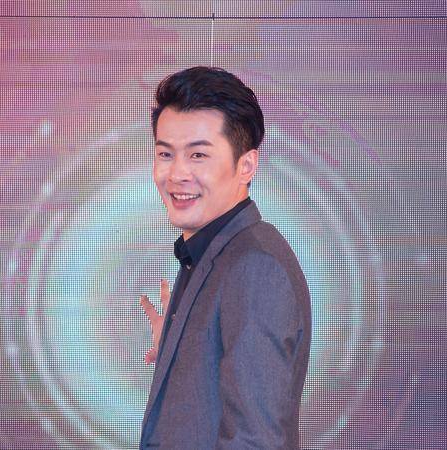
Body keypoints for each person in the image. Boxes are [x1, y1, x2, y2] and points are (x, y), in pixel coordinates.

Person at [139, 66, 311, 449]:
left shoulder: (254, 267)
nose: (177, 174)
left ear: (246, 166)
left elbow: (256, 441)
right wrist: (180, 346)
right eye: (165, 154)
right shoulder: (211, 253)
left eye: (198, 154)